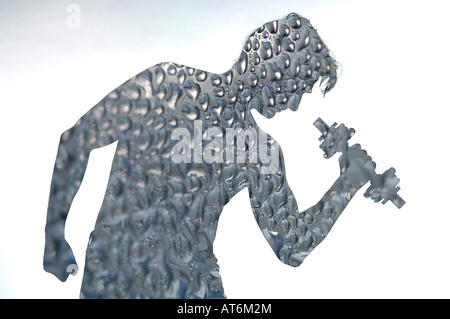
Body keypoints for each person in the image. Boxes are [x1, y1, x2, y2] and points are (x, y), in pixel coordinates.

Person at [44, 13, 378, 298]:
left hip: (114, 274)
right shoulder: (258, 148)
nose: (293, 105)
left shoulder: (165, 81)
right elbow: (292, 246)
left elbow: (75, 141)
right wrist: (348, 182)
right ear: (278, 74)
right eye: (298, 89)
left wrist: (55, 236)